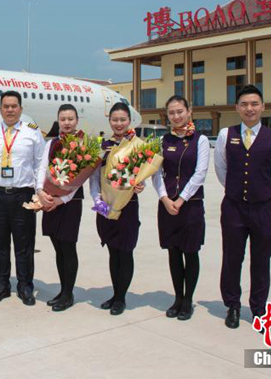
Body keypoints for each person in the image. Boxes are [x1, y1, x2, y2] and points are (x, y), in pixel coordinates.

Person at [214, 84, 271, 329]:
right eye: (244, 104)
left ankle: (258, 308)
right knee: (232, 258)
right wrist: (236, 190)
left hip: (263, 208)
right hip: (234, 207)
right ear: (237, 108)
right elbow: (221, 168)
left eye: (254, 104)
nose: (249, 109)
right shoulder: (226, 134)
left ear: (263, 107)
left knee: (261, 259)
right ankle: (232, 305)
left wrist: (268, 192)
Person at [0, 91, 45, 306]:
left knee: (24, 244)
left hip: (23, 196)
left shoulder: (32, 133)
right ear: (0, 109)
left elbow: (39, 166)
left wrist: (38, 194)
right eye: (6, 106)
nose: (10, 110)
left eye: (14, 106)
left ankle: (25, 286)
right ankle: (1, 285)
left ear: (21, 109)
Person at [151, 95, 208, 321]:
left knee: (190, 252)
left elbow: (200, 173)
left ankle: (188, 300)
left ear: (189, 111)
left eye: (180, 111)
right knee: (173, 252)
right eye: (172, 113)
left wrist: (181, 199)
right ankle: (177, 297)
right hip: (167, 205)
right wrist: (165, 198)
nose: (176, 116)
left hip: (190, 205)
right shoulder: (162, 141)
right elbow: (155, 173)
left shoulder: (200, 140)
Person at [89, 102, 146, 315]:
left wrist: (141, 185)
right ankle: (115, 293)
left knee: (125, 251)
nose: (119, 123)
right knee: (113, 251)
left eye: (122, 119)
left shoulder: (137, 145)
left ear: (129, 121)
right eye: (115, 120)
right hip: (105, 205)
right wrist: (97, 200)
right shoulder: (103, 146)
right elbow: (94, 176)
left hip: (127, 206)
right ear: (109, 121)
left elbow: (143, 175)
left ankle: (121, 298)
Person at [36, 104, 85, 312]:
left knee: (68, 247)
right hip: (50, 199)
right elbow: (41, 168)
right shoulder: (52, 143)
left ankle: (68, 293)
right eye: (63, 119)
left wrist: (62, 200)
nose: (67, 122)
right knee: (58, 247)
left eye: (70, 119)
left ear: (77, 120)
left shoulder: (83, 144)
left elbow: (80, 178)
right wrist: (40, 191)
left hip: (70, 203)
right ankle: (62, 290)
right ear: (58, 120)